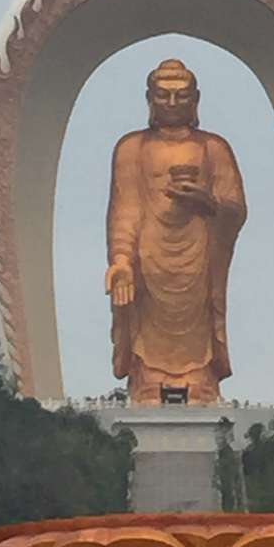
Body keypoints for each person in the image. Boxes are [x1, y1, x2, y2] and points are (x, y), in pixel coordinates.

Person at [105, 59, 247, 403]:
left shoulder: (214, 148)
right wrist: (121, 260)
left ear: (195, 99)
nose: (171, 104)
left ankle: (200, 378)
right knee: (146, 317)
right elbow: (124, 209)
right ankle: (147, 378)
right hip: (148, 253)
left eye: (181, 96)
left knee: (196, 318)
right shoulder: (131, 148)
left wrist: (209, 203)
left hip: (198, 252)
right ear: (149, 98)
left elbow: (237, 208)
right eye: (163, 96)